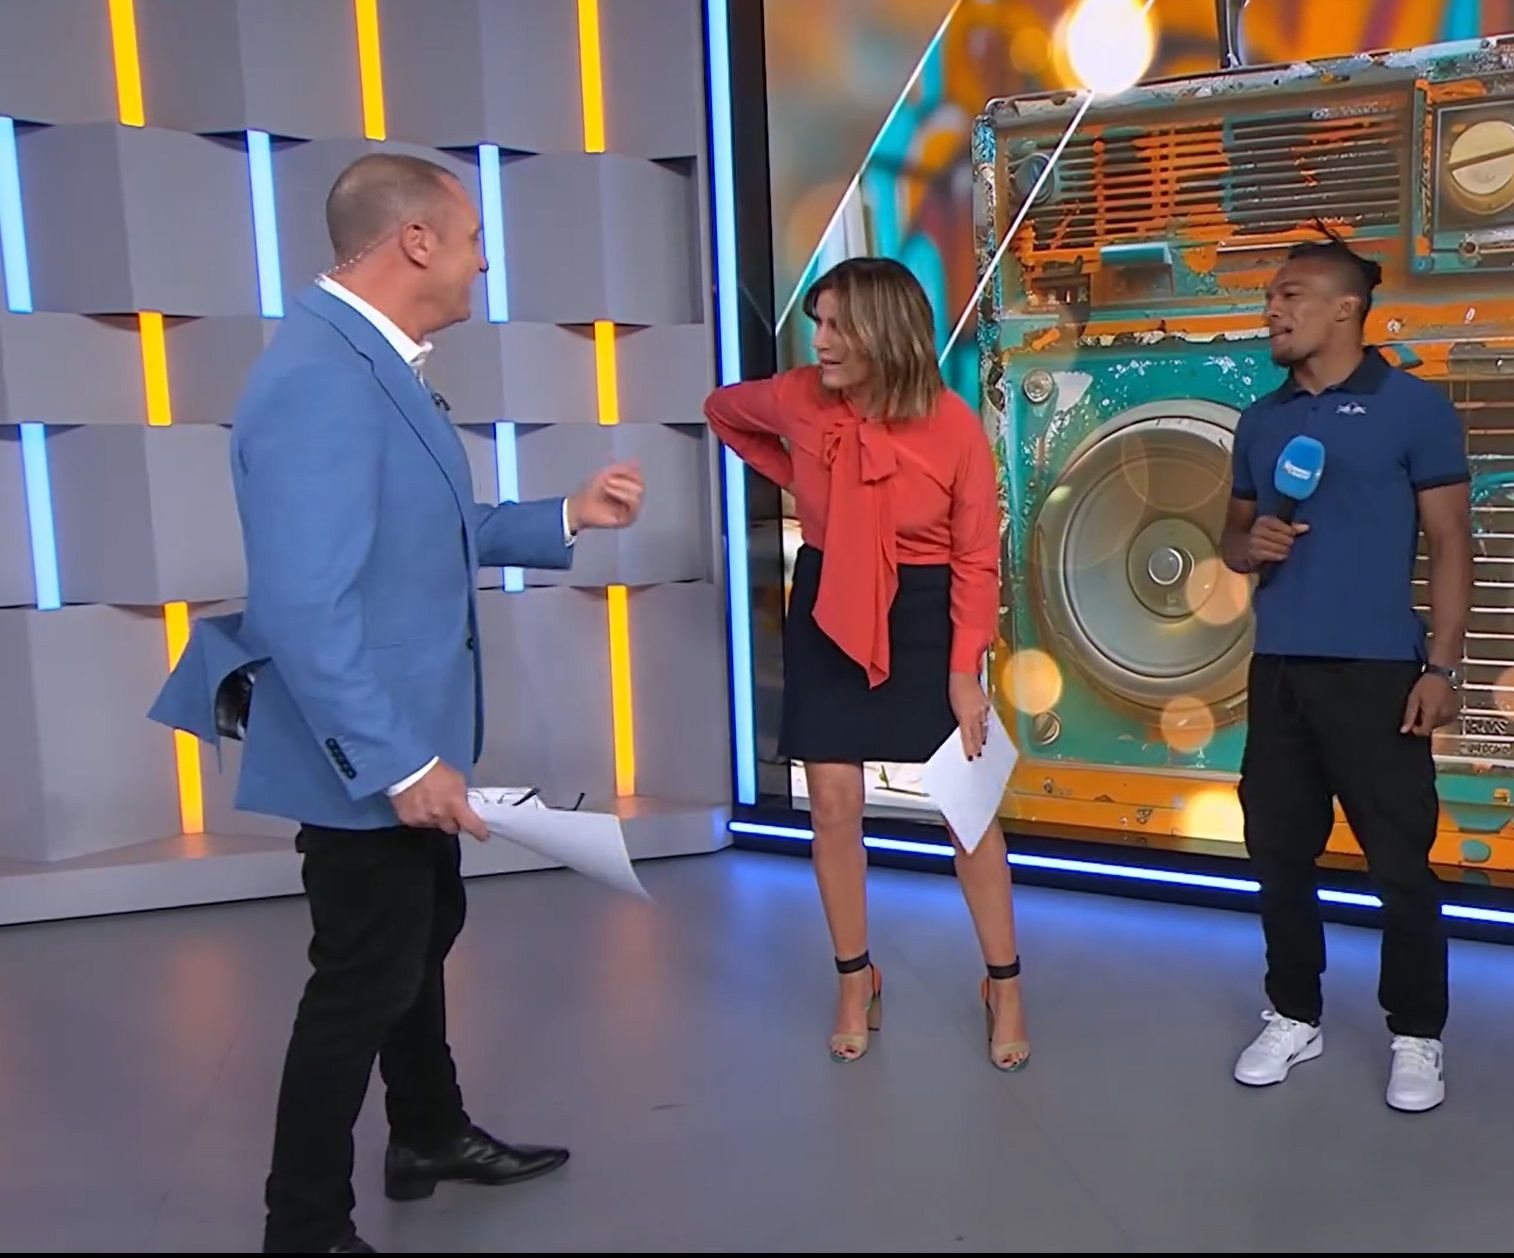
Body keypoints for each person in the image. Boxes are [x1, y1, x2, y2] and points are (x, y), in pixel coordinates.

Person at [150, 153, 645, 1255]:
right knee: (362, 976)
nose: (483, 263)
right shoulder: (320, 380)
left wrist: (566, 516)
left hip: (411, 739)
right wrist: (399, 764)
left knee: (418, 941)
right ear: (415, 241)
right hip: (372, 752)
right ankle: (304, 1226)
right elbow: (306, 606)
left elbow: (432, 531)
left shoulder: (369, 361)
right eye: (473, 239)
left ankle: (426, 1132)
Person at [703, 257, 1029, 1071]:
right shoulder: (797, 398)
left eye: (836, 325)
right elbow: (723, 411)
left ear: (885, 331)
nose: (819, 341)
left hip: (927, 614)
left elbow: (976, 561)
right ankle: (856, 980)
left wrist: (963, 673)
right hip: (831, 601)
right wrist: (808, 483)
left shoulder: (952, 424)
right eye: (817, 322)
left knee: (967, 810)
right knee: (834, 803)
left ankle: (1003, 984)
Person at [1218, 237, 1472, 1113]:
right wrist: (1247, 545)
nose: (1271, 311)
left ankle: (1416, 1033)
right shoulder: (1261, 419)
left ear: (1344, 307)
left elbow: (1450, 542)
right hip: (1278, 671)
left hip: (1379, 675)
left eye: (1289, 295)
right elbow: (1230, 537)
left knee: (1399, 865)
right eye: (1269, 297)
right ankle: (1294, 1012)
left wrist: (1442, 665)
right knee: (1277, 852)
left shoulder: (1415, 409)